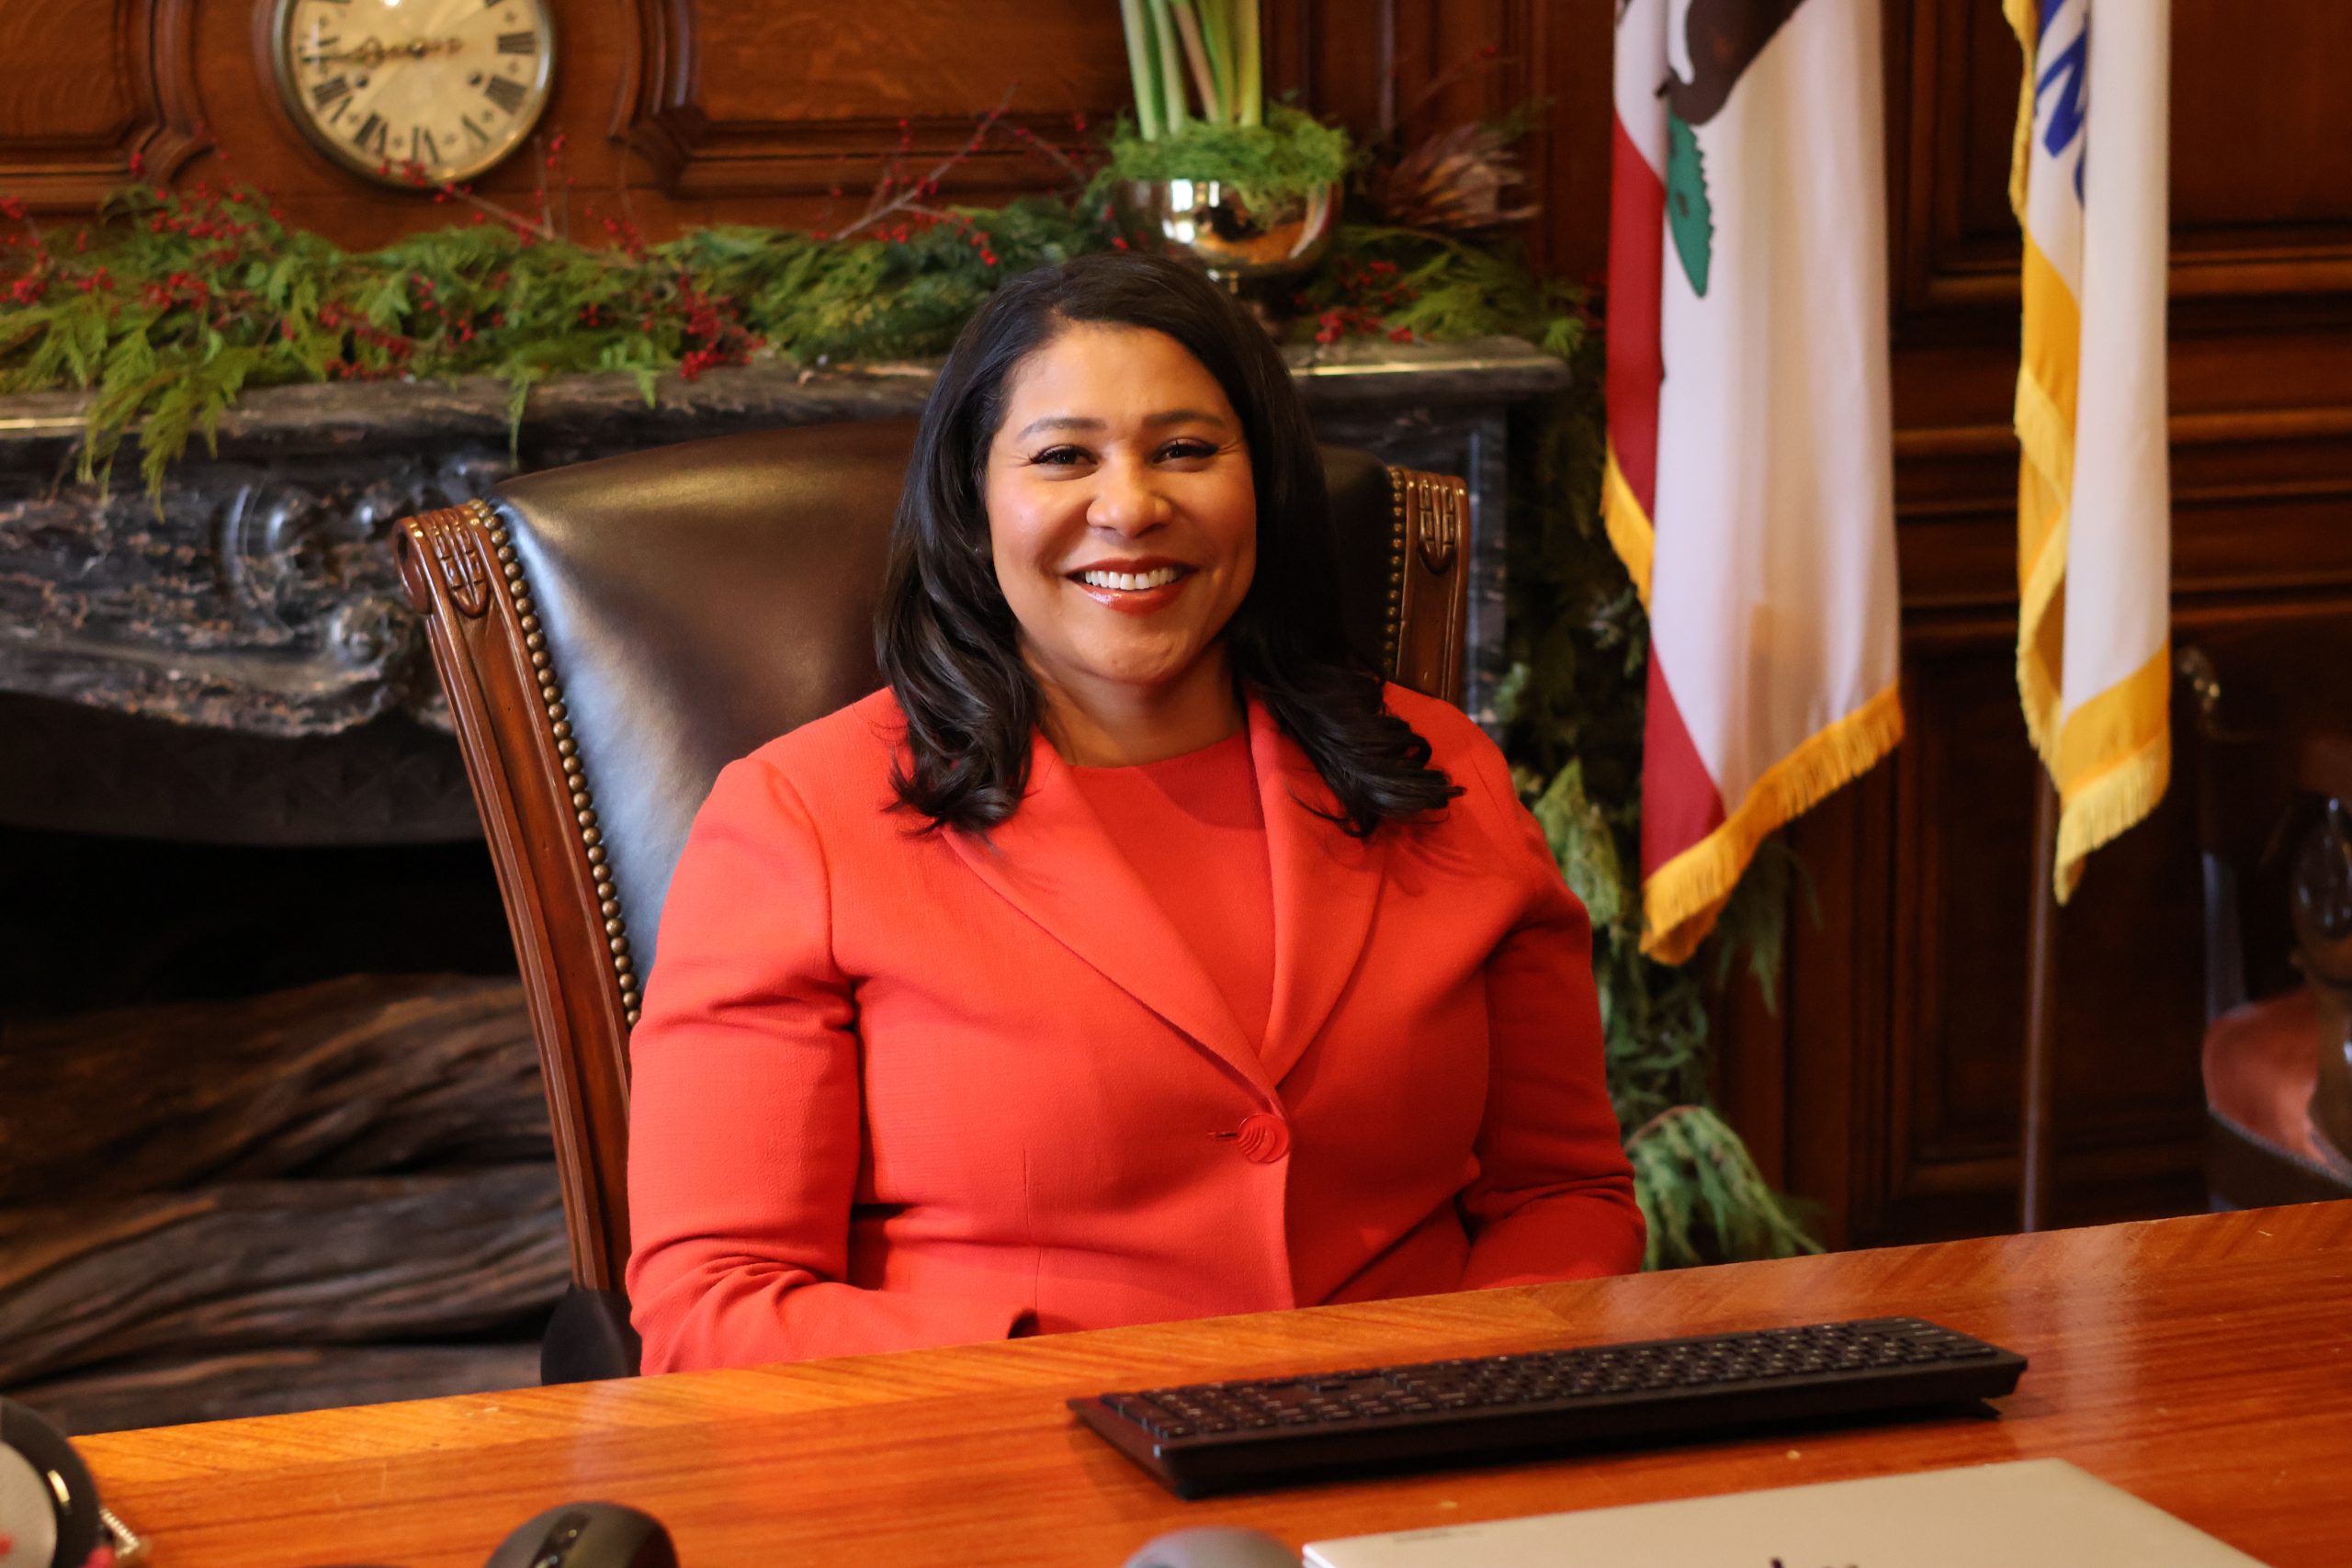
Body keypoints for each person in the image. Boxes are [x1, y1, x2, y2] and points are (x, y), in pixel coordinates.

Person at [624, 252, 1643, 1373]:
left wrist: (1452, 1396)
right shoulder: (796, 820)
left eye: (1186, 451)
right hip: (1007, 1481)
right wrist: (1114, 1390)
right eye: (1064, 456)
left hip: (1408, 1470)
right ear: (971, 507)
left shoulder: (1438, 771)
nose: (1131, 507)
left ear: (1261, 484)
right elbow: (715, 1307)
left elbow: (1564, 1199)